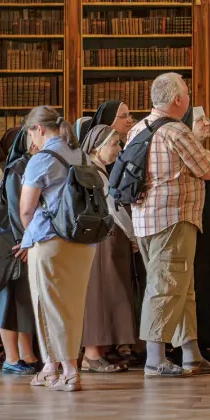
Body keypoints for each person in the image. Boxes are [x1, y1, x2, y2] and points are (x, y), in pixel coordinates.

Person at [127, 73, 210, 377]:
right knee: (166, 287)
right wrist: (201, 143)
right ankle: (155, 359)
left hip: (144, 219)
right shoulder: (177, 132)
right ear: (178, 100)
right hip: (173, 218)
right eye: (187, 93)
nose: (189, 98)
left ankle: (190, 353)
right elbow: (207, 170)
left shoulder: (138, 127)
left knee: (181, 287)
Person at [17, 106, 95, 392]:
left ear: (38, 129)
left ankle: (70, 371)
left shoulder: (42, 159)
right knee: (72, 306)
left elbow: (26, 209)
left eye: (31, 136)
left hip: (50, 240)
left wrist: (30, 236)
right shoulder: (81, 155)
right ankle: (51, 367)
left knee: (48, 306)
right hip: (83, 240)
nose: (31, 144)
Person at [80, 124, 135, 374]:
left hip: (108, 238)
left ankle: (99, 352)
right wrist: (134, 234)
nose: (119, 149)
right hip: (102, 240)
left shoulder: (100, 170)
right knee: (99, 297)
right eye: (114, 144)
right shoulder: (93, 171)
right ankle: (91, 354)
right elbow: (113, 209)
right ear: (97, 147)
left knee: (109, 296)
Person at [0, 128, 39, 375]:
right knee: (10, 300)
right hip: (15, 244)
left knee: (24, 301)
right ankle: (11, 357)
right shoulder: (18, 168)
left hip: (26, 241)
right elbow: (16, 209)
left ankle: (28, 353)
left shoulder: (31, 165)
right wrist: (26, 240)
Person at [185, 105, 210, 366]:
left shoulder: (204, 155)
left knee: (207, 288)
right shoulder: (188, 156)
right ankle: (194, 347)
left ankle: (205, 344)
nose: (207, 123)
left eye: (207, 118)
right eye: (200, 120)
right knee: (195, 291)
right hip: (194, 233)